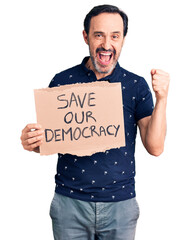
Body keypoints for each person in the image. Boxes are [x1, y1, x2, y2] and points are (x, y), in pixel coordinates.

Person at [20, 4, 170, 240]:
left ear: (123, 40)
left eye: (115, 36)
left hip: (120, 205)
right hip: (70, 203)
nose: (106, 44)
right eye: (98, 34)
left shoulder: (136, 85)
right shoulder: (62, 81)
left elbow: (155, 147)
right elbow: (51, 139)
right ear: (85, 37)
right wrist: (32, 141)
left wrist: (162, 98)